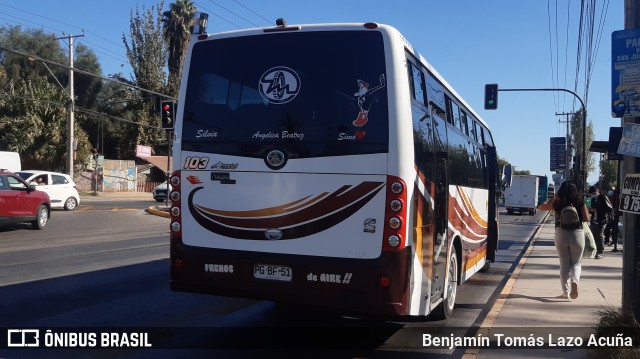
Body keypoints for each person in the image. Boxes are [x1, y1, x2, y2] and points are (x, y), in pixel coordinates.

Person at [540, 181, 589, 299]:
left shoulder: (558, 202)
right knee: (576, 263)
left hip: (561, 233)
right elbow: (586, 218)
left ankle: (565, 292)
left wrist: (554, 197)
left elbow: (542, 207)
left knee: (564, 264)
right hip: (577, 233)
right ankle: (575, 282)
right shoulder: (579, 201)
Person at [588, 186, 607, 259]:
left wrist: (597, 210)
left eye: (594, 193)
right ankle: (595, 250)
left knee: (599, 235)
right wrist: (591, 210)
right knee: (594, 236)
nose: (593, 194)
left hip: (601, 220)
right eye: (592, 193)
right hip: (594, 220)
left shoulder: (603, 198)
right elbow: (591, 210)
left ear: (597, 191)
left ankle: (600, 251)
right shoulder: (593, 199)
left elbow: (606, 209)